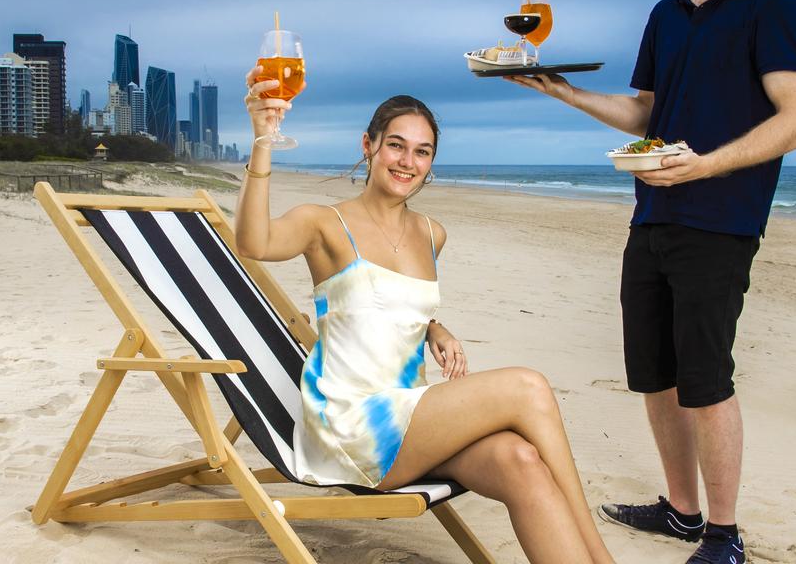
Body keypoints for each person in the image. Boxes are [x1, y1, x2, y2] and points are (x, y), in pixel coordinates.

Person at [505, 0, 796, 564]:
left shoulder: (777, 5)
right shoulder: (666, 13)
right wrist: (567, 93)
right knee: (655, 372)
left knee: (706, 379)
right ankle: (681, 510)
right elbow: (645, 110)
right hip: (652, 216)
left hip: (722, 218)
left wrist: (705, 164)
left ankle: (724, 534)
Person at [235, 77, 616, 564]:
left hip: (411, 414)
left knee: (520, 461)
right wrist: (262, 138)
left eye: (422, 151)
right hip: (353, 425)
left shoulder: (431, 234)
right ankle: (603, 557)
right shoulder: (323, 222)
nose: (407, 162)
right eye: (395, 145)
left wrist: (435, 326)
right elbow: (253, 243)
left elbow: (392, 305)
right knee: (529, 388)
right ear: (368, 146)